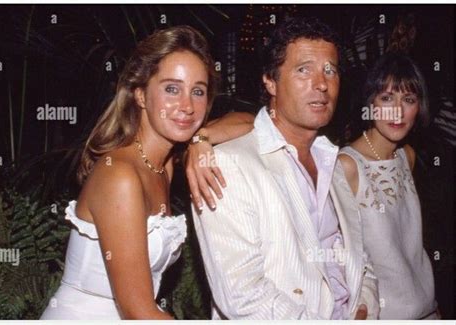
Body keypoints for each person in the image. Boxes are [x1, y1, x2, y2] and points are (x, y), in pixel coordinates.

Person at [188, 17, 379, 320]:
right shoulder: (228, 164)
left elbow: (361, 262)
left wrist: (365, 306)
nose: (321, 84)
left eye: (330, 70)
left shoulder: (335, 163)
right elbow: (243, 297)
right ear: (270, 81)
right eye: (304, 70)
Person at [40, 25, 220, 319]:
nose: (187, 106)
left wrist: (203, 138)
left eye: (197, 91)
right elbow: (138, 312)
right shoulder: (120, 175)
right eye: (171, 88)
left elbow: (252, 122)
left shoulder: (166, 163)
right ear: (139, 95)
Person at [336, 52, 438, 319]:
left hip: (430, 309)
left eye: (409, 99)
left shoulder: (407, 156)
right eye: (386, 98)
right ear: (370, 102)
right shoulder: (347, 166)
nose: (398, 111)